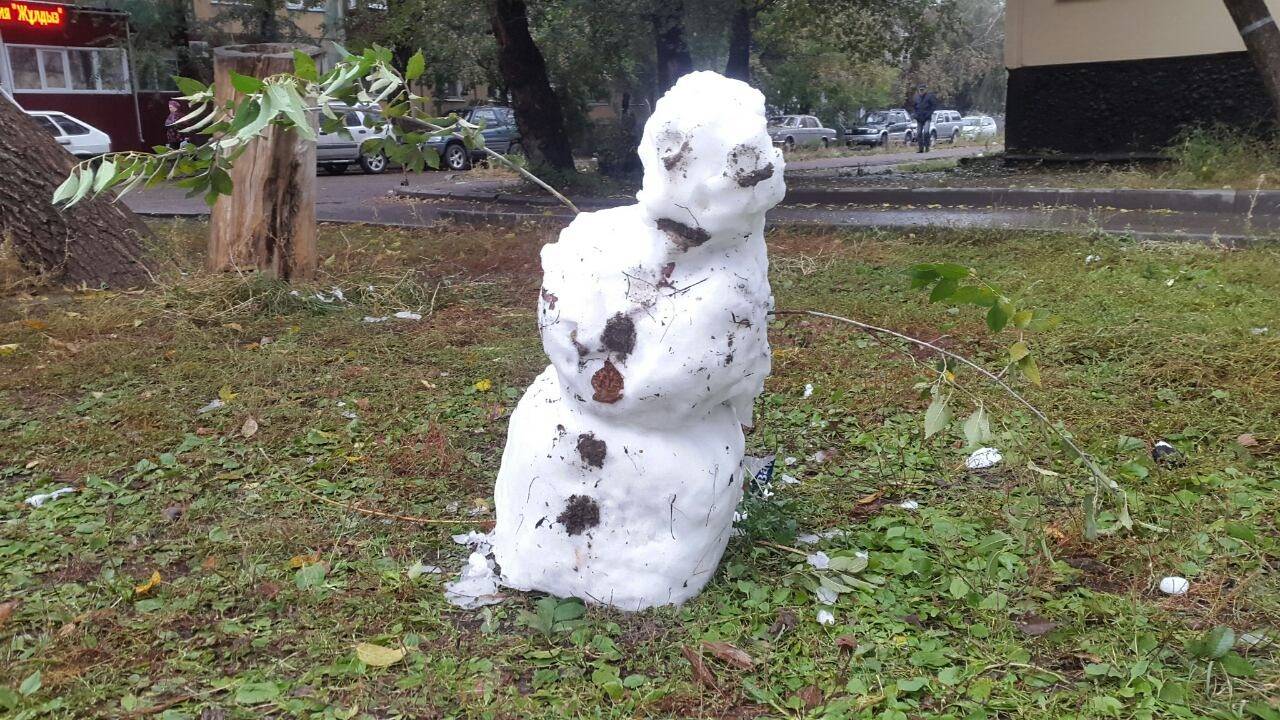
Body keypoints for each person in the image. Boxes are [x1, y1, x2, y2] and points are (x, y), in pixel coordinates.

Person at [910, 84, 937, 153]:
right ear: (918, 90)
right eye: (920, 90)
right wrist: (915, 115)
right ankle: (920, 148)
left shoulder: (929, 96)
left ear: (925, 89)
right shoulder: (916, 97)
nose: (921, 91)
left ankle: (927, 147)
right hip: (919, 118)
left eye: (922, 90)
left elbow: (933, 106)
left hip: (927, 118)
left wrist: (929, 113)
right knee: (919, 133)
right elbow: (914, 107)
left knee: (926, 132)